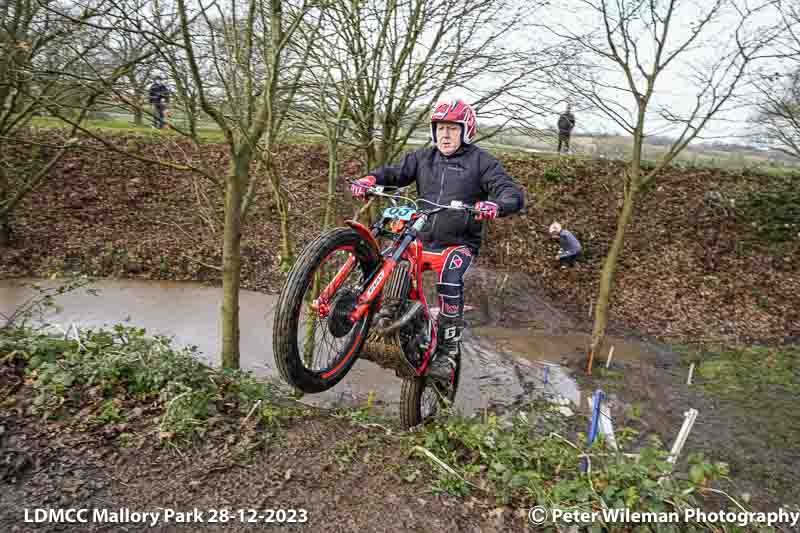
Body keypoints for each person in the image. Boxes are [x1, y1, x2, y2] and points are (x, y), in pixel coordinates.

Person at [351, 99, 525, 379]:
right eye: (440, 128)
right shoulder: (423, 158)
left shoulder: (482, 162)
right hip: (420, 237)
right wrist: (370, 180)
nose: (445, 135)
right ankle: (383, 316)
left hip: (458, 244)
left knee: (450, 280)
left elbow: (511, 193)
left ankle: (446, 351)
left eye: (452, 129)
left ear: (466, 131)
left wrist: (497, 205)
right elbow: (395, 173)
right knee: (388, 263)